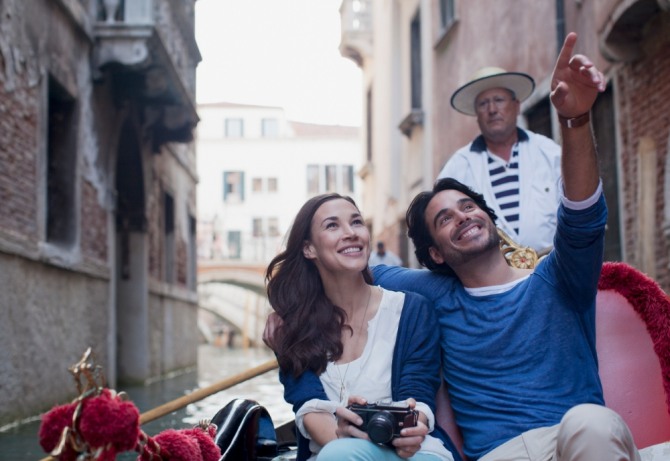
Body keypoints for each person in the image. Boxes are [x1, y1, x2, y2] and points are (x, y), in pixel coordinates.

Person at [372, 33, 640, 461]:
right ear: (436, 254)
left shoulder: (557, 279)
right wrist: (295, 299)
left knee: (590, 422)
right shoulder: (437, 292)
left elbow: (582, 216)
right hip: (500, 454)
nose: (462, 216)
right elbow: (361, 271)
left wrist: (575, 121)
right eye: (445, 218)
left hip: (577, 439)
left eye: (468, 205)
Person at [263, 193, 457, 461]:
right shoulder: (291, 328)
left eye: (356, 222)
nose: (350, 233)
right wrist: (343, 438)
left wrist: (413, 428)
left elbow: (418, 394)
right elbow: (309, 408)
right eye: (332, 226)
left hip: (412, 452)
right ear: (309, 249)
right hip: (335, 452)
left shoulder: (412, 311)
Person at [437, 63, 562, 253]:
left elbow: (577, 209)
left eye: (499, 100)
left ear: (516, 106)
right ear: (476, 114)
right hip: (488, 279)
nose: (492, 109)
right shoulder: (458, 167)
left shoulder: (548, 152)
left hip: (554, 270)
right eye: (483, 104)